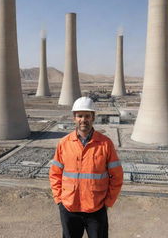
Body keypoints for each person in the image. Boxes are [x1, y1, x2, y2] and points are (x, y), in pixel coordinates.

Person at [49, 96, 123, 238]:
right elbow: (55, 174)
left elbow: (117, 176)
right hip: (69, 207)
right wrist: (59, 200)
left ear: (93, 117)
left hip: (96, 208)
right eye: (80, 116)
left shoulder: (105, 144)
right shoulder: (64, 143)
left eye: (87, 116)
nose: (84, 120)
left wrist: (108, 202)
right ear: (74, 118)